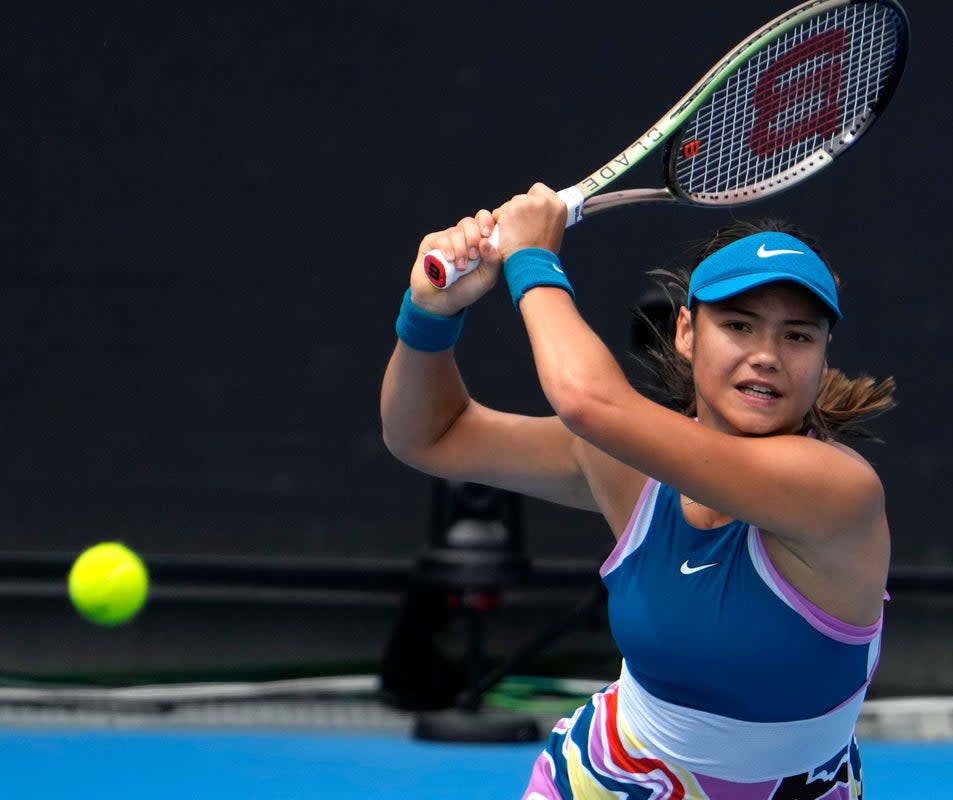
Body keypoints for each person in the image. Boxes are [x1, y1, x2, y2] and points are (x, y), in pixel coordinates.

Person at [380, 182, 897, 799]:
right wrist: (429, 317)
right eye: (738, 324)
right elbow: (431, 436)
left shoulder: (836, 490)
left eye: (797, 335)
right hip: (615, 773)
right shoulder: (625, 466)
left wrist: (532, 259)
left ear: (822, 354)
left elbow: (586, 403)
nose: (766, 356)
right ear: (686, 331)